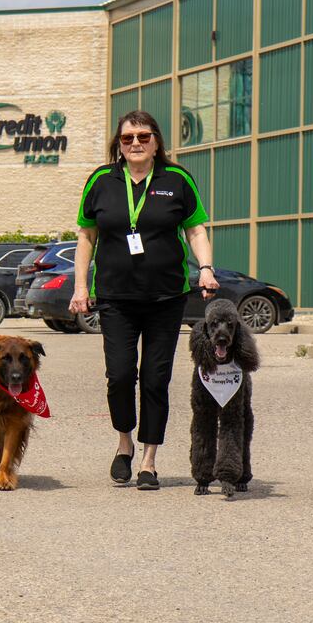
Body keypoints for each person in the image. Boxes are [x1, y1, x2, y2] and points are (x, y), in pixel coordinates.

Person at [69, 110, 218, 491]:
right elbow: (87, 236)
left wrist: (205, 267)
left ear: (156, 141)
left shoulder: (177, 179)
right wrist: (80, 287)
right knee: (120, 375)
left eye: (143, 137)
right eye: (128, 138)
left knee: (155, 378)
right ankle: (125, 443)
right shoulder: (101, 181)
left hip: (165, 297)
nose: (135, 143)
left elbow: (195, 229)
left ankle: (149, 461)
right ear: (118, 144)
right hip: (116, 297)